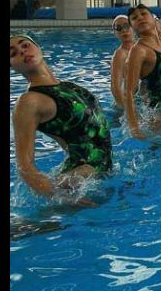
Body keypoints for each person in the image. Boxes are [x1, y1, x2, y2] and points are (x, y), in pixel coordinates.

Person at [10, 35, 112, 204]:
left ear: (38, 48)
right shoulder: (28, 102)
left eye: (25, 45)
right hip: (78, 181)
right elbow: (25, 167)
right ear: (12, 66)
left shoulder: (68, 86)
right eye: (13, 53)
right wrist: (64, 198)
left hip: (100, 174)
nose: (22, 51)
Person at [124, 4, 161, 139]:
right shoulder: (139, 50)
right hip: (158, 119)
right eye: (134, 18)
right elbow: (129, 92)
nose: (140, 18)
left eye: (144, 14)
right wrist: (135, 129)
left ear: (154, 18)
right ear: (132, 27)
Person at [110, 15, 134, 109]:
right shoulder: (120, 55)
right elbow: (115, 88)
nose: (124, 30)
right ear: (115, 33)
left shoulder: (141, 48)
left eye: (127, 26)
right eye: (119, 28)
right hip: (125, 104)